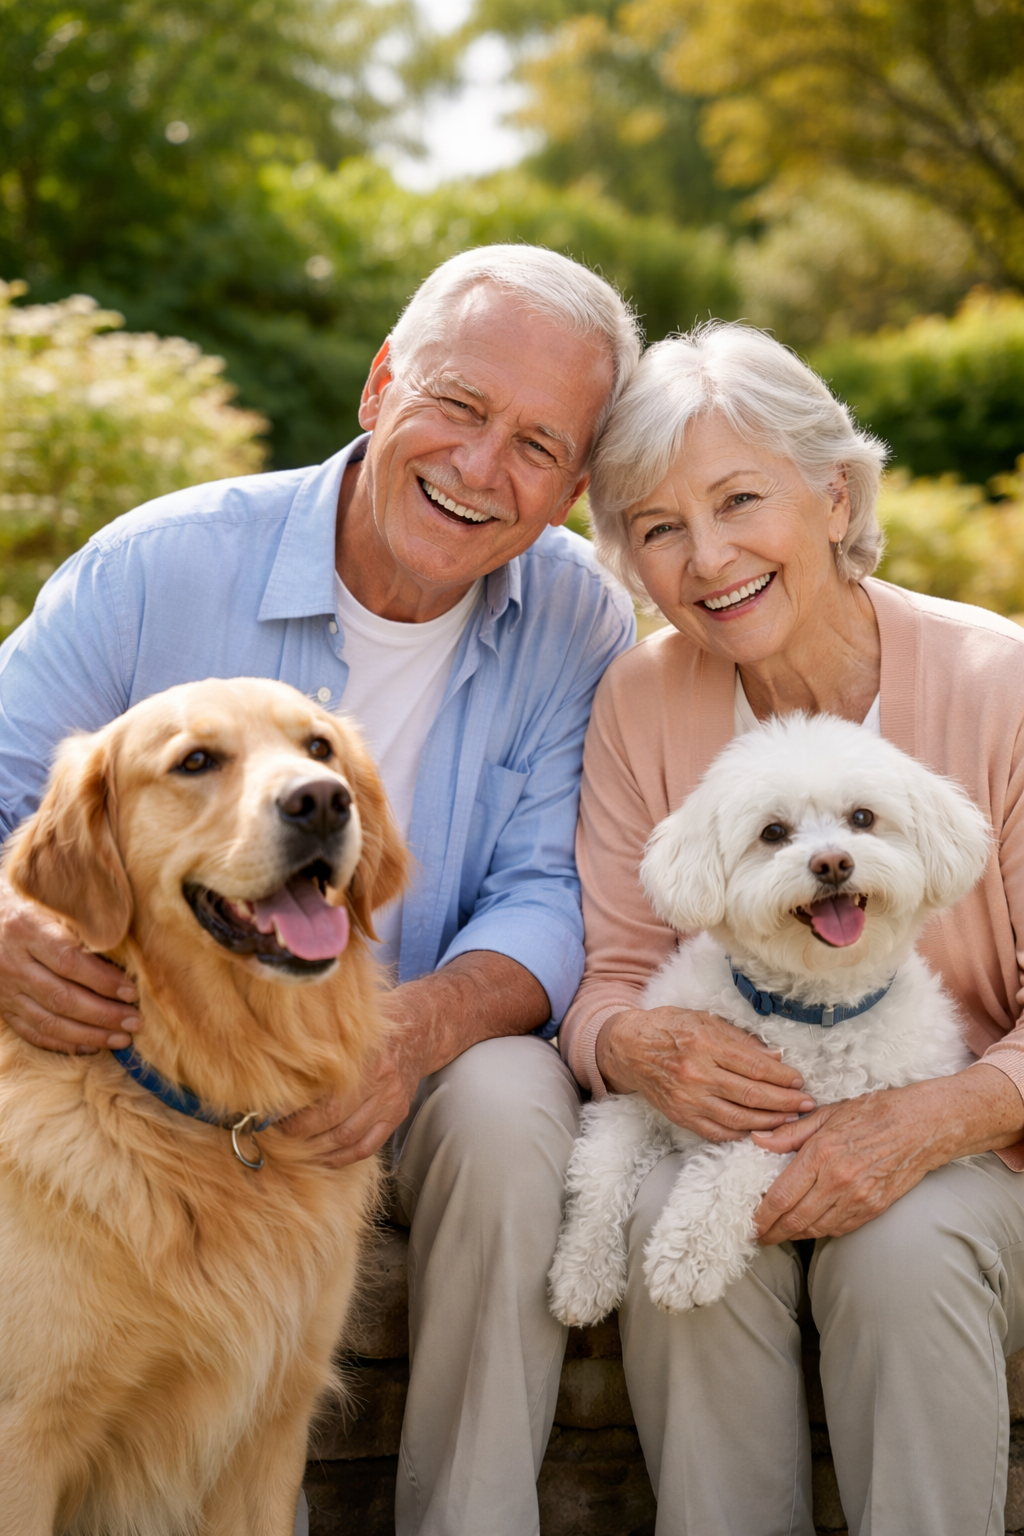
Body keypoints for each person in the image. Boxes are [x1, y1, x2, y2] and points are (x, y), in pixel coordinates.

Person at [0, 245, 639, 1536]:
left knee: (513, 1105)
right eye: (456, 406)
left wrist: (421, 1031)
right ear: (378, 384)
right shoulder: (158, 563)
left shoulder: (579, 620)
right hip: (136, 1064)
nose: (477, 468)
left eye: (534, 444)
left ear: (573, 487)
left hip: (391, 1060)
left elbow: (550, 895)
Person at [559, 322, 1024, 1536]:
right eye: (658, 528)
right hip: (742, 1134)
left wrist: (931, 1116)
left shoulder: (998, 685)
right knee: (680, 1232)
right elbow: (610, 968)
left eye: (738, 499)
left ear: (830, 493)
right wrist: (634, 1047)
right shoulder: (640, 699)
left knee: (902, 1250)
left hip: (983, 1146)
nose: (707, 558)